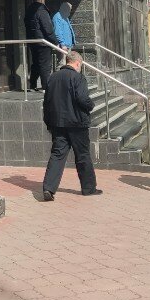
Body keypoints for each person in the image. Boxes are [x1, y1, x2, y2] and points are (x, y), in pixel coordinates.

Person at [42, 50, 100, 200]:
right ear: (78, 63)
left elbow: (47, 102)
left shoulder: (53, 77)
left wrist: (48, 122)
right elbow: (82, 98)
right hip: (77, 123)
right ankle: (88, 188)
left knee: (57, 155)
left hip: (58, 123)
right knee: (83, 155)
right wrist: (90, 105)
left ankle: (48, 188)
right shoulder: (78, 77)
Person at [25, 0, 60, 91]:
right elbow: (48, 29)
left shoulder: (28, 11)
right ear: (41, 1)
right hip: (43, 43)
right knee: (45, 65)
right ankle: (46, 87)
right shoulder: (42, 11)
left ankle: (32, 85)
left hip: (33, 42)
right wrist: (55, 41)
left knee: (36, 64)